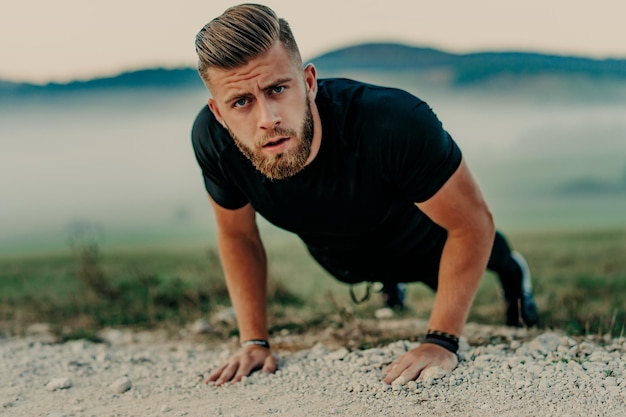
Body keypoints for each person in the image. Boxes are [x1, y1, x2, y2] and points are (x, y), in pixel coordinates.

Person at [191, 3, 538, 387]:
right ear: (219, 113)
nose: (266, 119)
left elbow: (473, 224)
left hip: (420, 236)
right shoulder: (214, 141)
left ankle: (514, 276)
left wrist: (441, 340)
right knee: (353, 268)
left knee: (487, 259)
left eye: (277, 89)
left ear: (308, 82)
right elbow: (238, 235)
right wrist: (254, 341)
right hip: (339, 254)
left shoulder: (393, 122)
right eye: (241, 102)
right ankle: (389, 286)